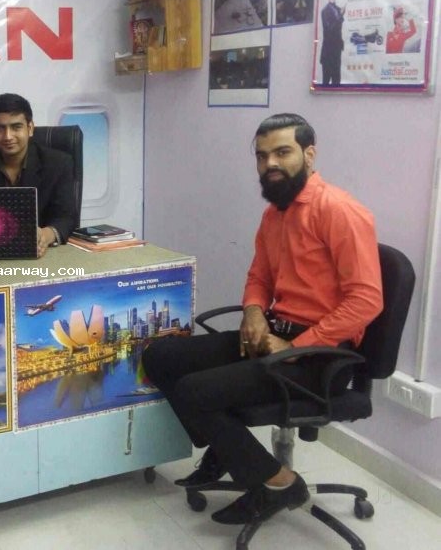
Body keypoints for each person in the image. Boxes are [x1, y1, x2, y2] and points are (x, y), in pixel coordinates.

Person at [141, 113, 383, 526]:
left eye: (282, 152)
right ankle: (227, 447)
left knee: (195, 392)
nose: (270, 163)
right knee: (161, 356)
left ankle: (279, 483)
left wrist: (296, 347)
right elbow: (260, 277)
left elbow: (367, 300)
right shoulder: (276, 214)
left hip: (320, 358)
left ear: (309, 155)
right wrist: (254, 312)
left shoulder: (339, 211)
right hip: (274, 336)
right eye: (261, 155)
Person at [0, 93, 77, 257]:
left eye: (16, 127)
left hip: (39, 254)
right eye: (0, 128)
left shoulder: (58, 163)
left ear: (30, 128)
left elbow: (66, 218)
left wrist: (44, 236)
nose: (8, 136)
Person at [320, 0, 345, 86]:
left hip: (336, 52)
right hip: (327, 53)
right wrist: (340, 17)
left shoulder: (339, 9)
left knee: (336, 83)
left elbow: (338, 31)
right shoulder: (325, 11)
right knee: (326, 83)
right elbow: (329, 30)